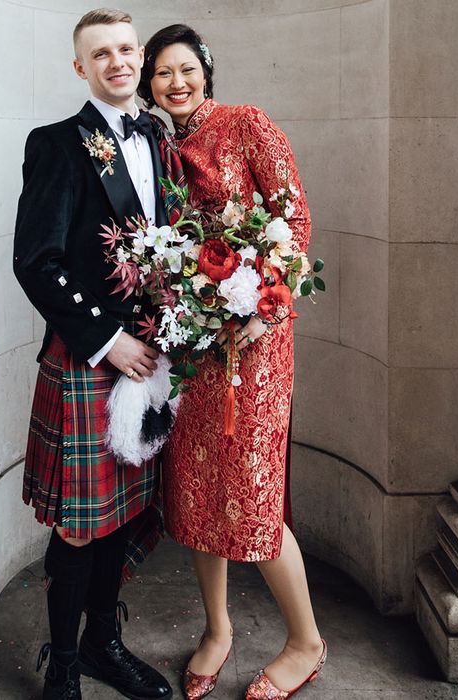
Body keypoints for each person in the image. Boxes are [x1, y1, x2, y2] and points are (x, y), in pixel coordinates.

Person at [137, 25, 327, 700]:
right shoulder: (159, 149)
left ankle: (305, 641)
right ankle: (217, 627)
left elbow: (295, 224)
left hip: (255, 345)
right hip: (195, 346)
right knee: (194, 486)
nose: (175, 83)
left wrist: (264, 309)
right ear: (148, 83)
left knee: (252, 493)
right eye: (162, 73)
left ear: (206, 72)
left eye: (185, 69)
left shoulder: (247, 124)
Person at [13, 9, 174, 700]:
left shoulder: (159, 138)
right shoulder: (57, 142)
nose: (118, 61)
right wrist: (110, 344)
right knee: (82, 525)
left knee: (128, 512)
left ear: (139, 56)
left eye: (126, 48)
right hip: (91, 360)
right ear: (81, 67)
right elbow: (36, 261)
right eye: (100, 53)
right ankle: (65, 667)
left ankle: (104, 643)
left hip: (154, 363)